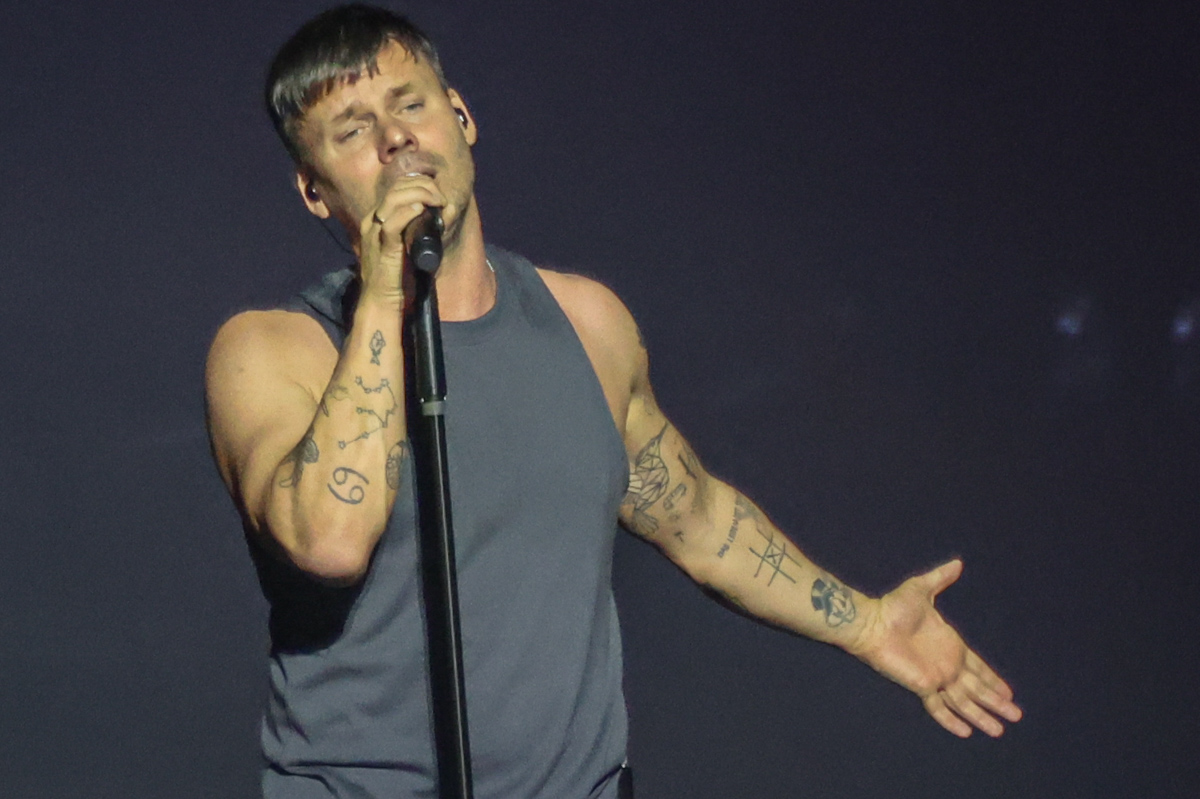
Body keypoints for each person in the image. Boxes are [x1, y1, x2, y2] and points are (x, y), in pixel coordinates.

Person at [204, 5, 1023, 798]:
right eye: (353, 131)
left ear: (461, 117)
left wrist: (868, 625)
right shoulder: (271, 351)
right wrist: (387, 292)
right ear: (315, 191)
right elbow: (330, 541)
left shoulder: (585, 324)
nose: (395, 139)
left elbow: (699, 520)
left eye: (410, 105)